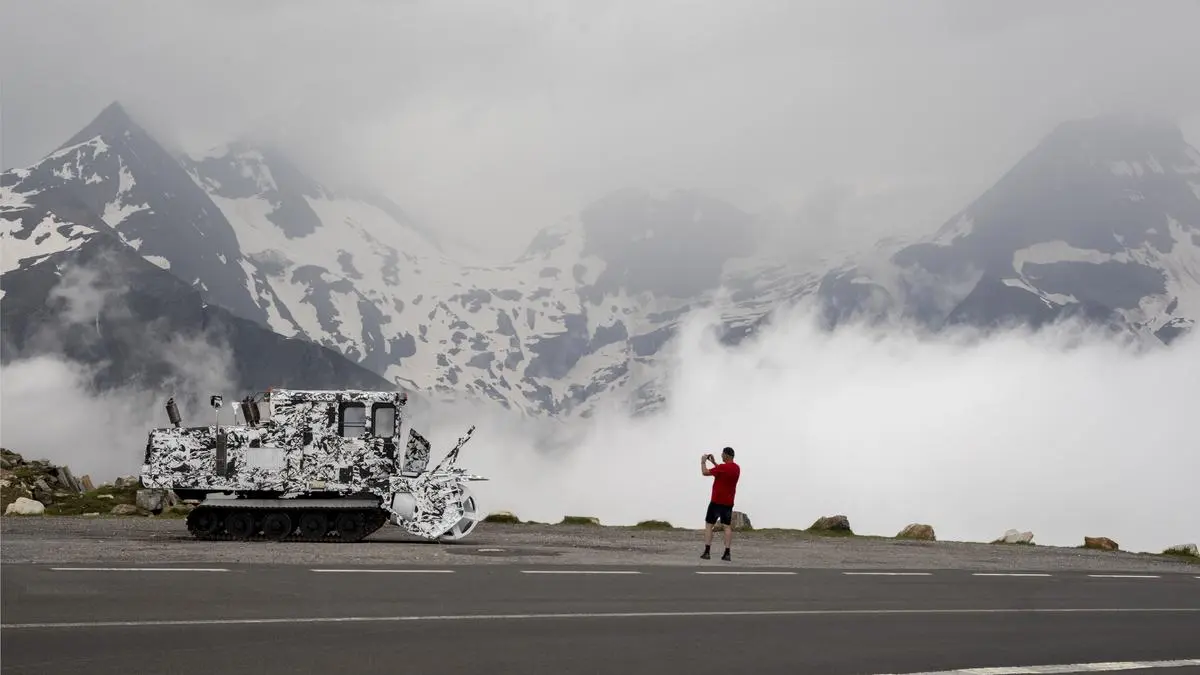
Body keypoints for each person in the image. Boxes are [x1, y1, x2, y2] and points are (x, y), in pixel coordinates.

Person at [700, 446, 740, 561]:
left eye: (722, 454)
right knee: (727, 526)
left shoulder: (722, 468)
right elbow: (722, 471)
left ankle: (707, 552)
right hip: (728, 502)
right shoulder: (736, 468)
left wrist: (703, 462)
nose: (721, 455)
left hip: (716, 501)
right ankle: (727, 553)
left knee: (709, 525)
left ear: (726, 455)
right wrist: (713, 462)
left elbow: (705, 472)